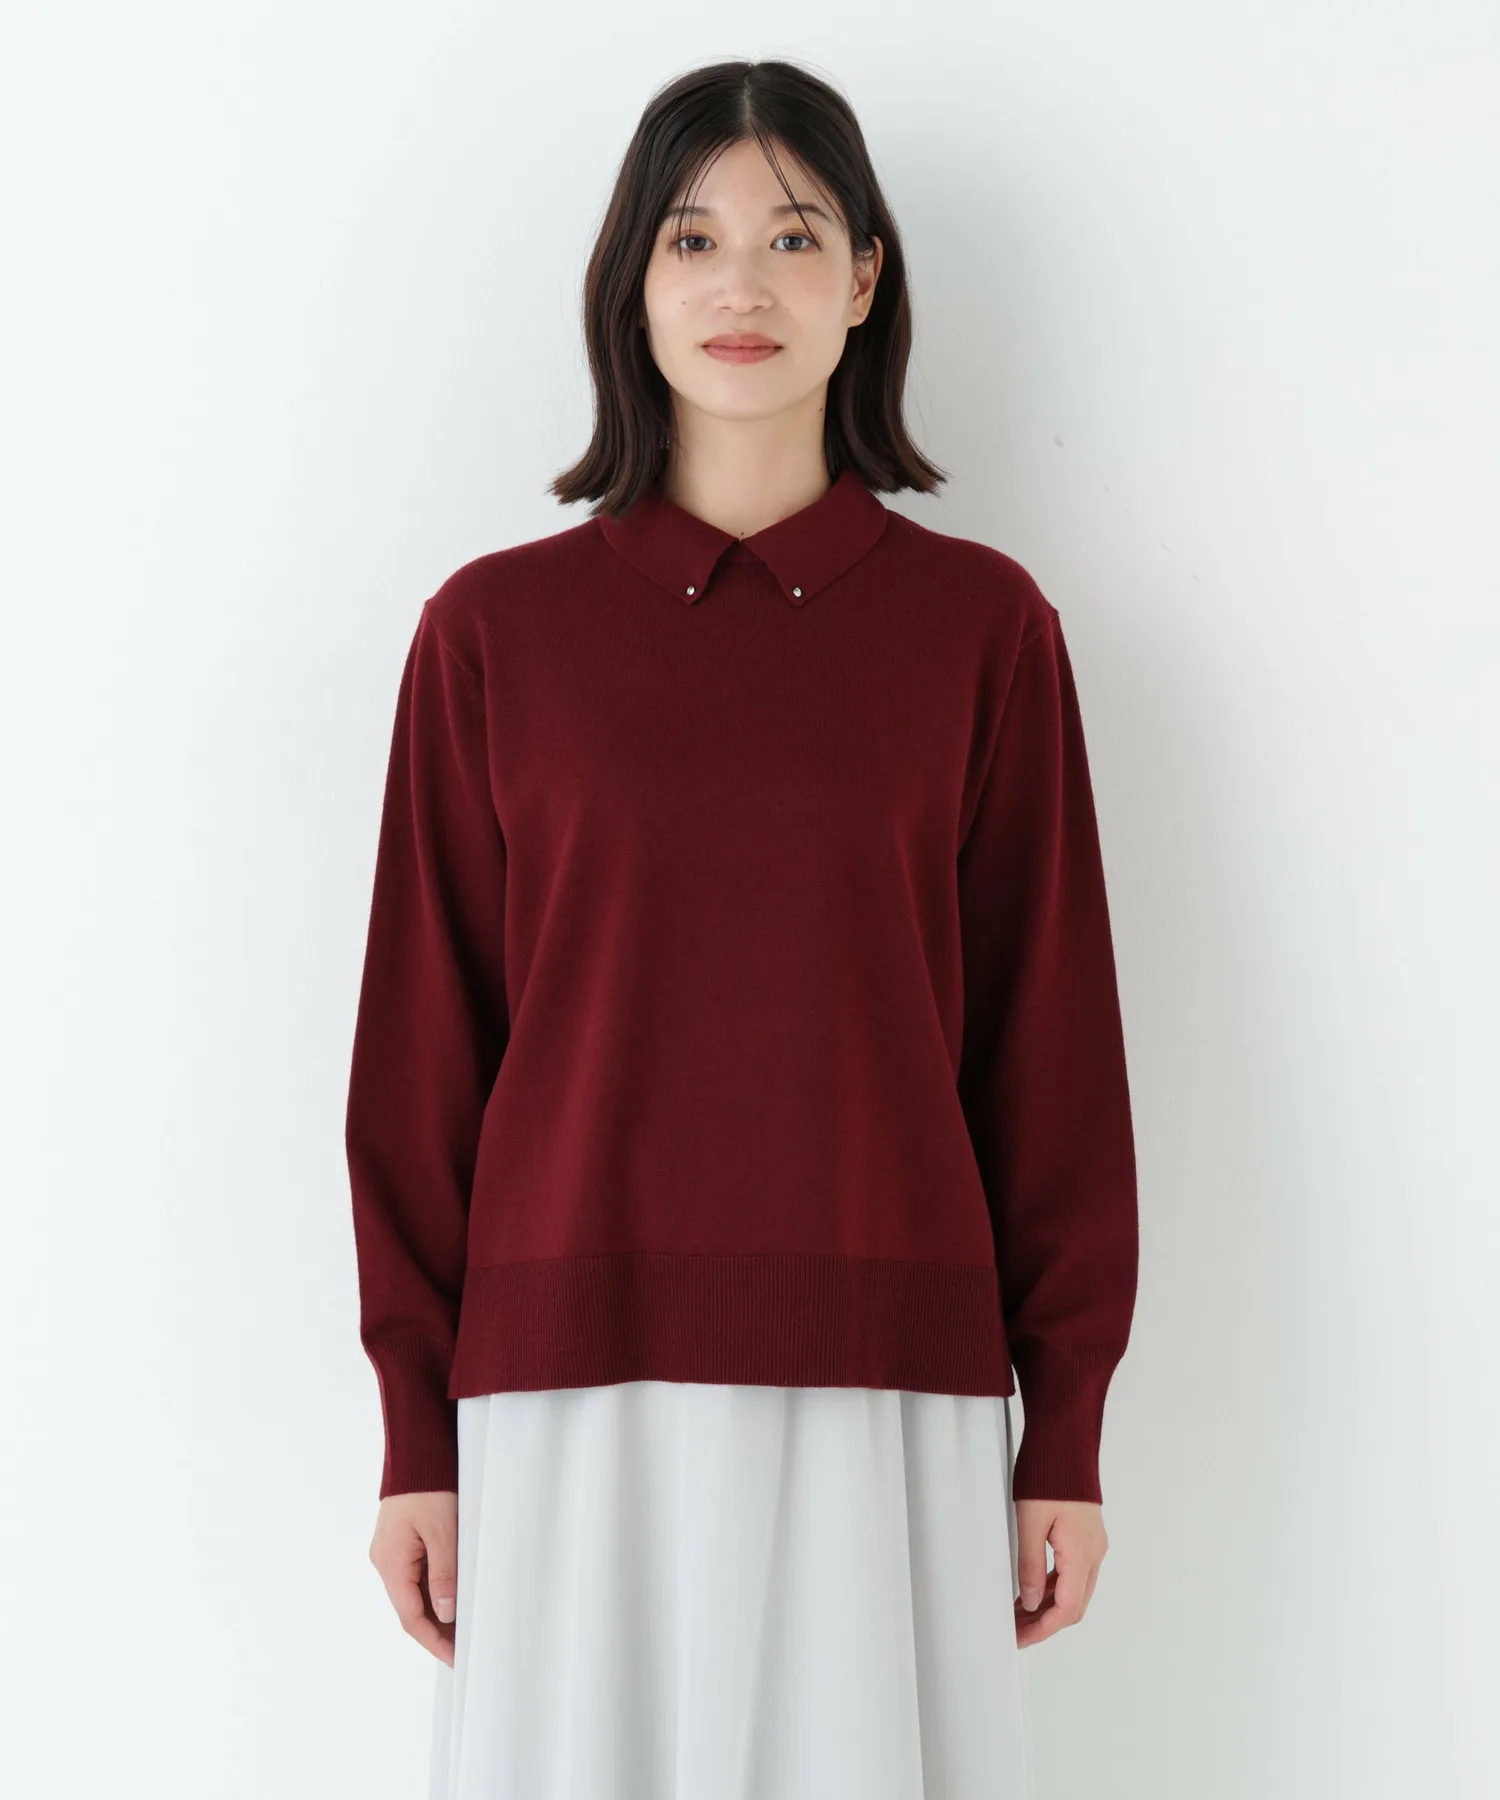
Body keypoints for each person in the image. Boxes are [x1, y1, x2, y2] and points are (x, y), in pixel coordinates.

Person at [344, 57, 1139, 1800]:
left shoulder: (983, 633)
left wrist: (1064, 1426)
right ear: (632, 284)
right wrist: (416, 1432)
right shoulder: (494, 636)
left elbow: (1051, 1054)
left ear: (864, 281)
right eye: (692, 238)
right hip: (567, 1390)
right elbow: (421, 1062)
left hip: (889, 1380)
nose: (743, 285)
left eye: (794, 237)